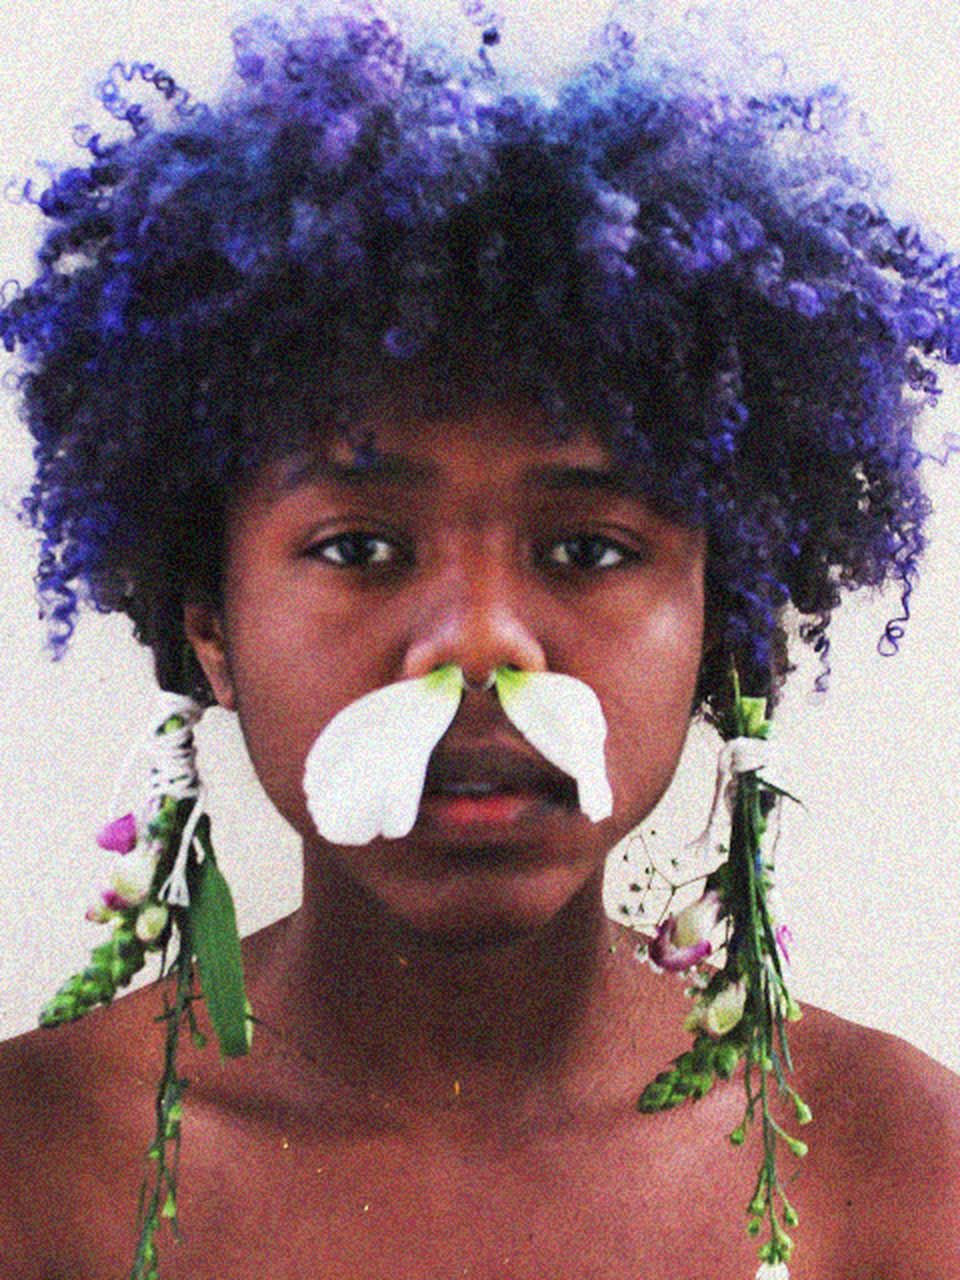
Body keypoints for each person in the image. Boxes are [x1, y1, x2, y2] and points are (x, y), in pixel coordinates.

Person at [0, 5, 958, 1278]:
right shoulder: (35, 1169)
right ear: (210, 626)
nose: (481, 641)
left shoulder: (895, 1173)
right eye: (359, 547)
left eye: (588, 550)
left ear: (722, 622)